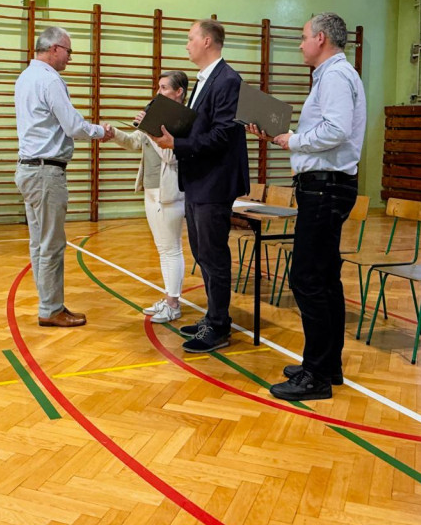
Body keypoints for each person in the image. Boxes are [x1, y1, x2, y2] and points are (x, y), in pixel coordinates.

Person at [251, 12, 366, 402]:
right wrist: (283, 137)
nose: (299, 45)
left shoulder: (334, 76)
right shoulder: (332, 75)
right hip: (325, 186)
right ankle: (326, 364)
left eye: (303, 38)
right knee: (323, 277)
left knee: (307, 278)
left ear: (321, 38)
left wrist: (293, 140)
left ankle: (316, 374)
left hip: (326, 188)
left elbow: (336, 129)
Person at [151, 19, 248, 353]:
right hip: (198, 180)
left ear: (208, 41)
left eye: (191, 38)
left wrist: (175, 145)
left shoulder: (228, 80)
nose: (187, 44)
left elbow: (223, 135)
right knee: (203, 254)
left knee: (213, 254)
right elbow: (198, 128)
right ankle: (212, 315)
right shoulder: (206, 80)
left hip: (214, 181)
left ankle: (220, 325)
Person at [14, 26, 114, 328]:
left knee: (39, 243)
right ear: (55, 48)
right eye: (69, 51)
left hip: (30, 169)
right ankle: (51, 309)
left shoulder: (25, 77)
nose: (70, 58)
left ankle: (49, 304)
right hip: (45, 172)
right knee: (52, 244)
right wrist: (101, 132)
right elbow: (72, 125)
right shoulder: (49, 79)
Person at [110, 71, 188, 323]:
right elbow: (135, 143)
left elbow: (171, 156)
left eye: (165, 88)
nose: (159, 92)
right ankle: (168, 299)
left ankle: (174, 304)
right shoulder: (157, 117)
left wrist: (151, 130)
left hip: (170, 193)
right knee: (162, 248)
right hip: (151, 189)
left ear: (179, 92)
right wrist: (114, 135)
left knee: (171, 249)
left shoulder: (183, 121)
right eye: (158, 87)